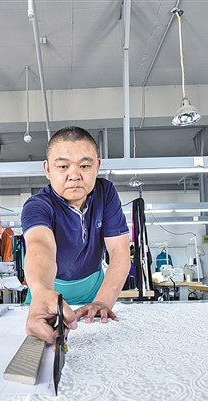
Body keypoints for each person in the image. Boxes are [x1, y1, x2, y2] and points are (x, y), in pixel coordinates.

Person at [22, 126, 130, 343]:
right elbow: (40, 245)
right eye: (63, 166)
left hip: (95, 293)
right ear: (47, 169)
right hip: (47, 292)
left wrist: (103, 302)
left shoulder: (105, 193)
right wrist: (42, 292)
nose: (74, 175)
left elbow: (119, 250)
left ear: (97, 166)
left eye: (84, 165)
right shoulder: (37, 206)